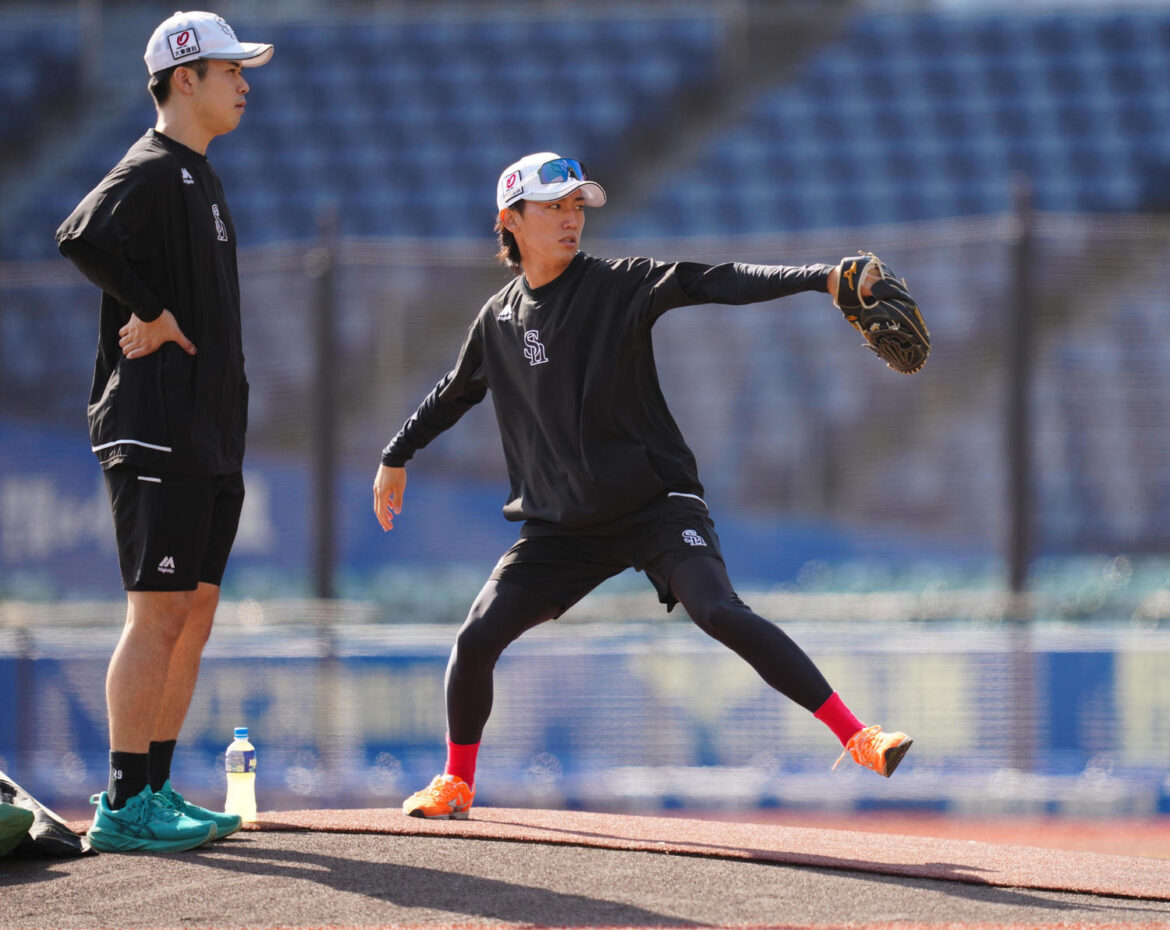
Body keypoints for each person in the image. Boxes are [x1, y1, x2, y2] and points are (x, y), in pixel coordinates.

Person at [373, 152, 913, 820]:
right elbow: (455, 392)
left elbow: (712, 280)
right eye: (554, 206)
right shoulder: (498, 318)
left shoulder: (615, 284)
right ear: (510, 219)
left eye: (577, 206)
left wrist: (822, 278)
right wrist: (396, 454)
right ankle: (457, 782)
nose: (571, 218)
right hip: (564, 528)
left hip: (654, 505)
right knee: (475, 639)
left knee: (718, 611)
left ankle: (859, 737)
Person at [55, 11, 272, 852]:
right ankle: (123, 804)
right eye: (230, 70)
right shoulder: (152, 165)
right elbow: (79, 234)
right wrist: (150, 309)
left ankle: (155, 787)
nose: (243, 83)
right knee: (157, 615)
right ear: (186, 77)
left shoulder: (198, 174)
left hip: (208, 432)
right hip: (157, 429)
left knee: (196, 612)